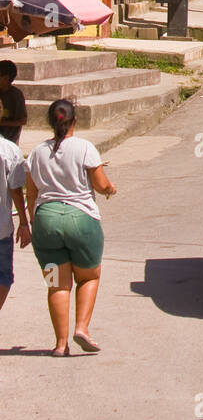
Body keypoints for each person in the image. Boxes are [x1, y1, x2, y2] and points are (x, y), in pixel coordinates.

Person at [25, 99, 117, 355]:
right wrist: (110, 189)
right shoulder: (85, 148)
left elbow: (31, 194)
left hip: (46, 221)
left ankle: (60, 344)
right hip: (81, 221)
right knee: (89, 276)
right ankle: (82, 329)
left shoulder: (36, 152)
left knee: (56, 284)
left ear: (51, 122)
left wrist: (34, 223)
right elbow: (100, 184)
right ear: (74, 121)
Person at [0, 133, 29, 314]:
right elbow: (16, 191)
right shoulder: (9, 150)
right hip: (1, 227)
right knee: (3, 276)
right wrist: (24, 223)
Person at [0, 61, 27, 144]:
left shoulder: (16, 95)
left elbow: (23, 120)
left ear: (6, 78)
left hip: (10, 140)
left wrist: (3, 123)